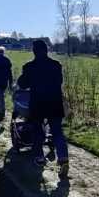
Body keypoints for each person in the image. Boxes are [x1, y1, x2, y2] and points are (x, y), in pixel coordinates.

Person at [17, 39, 69, 178]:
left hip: (38, 103)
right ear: (46, 50)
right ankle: (63, 158)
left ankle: (39, 157)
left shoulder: (29, 67)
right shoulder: (56, 65)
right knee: (57, 131)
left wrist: (22, 78)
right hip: (54, 102)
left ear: (34, 51)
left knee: (38, 130)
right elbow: (59, 82)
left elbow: (23, 84)